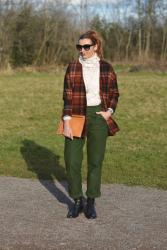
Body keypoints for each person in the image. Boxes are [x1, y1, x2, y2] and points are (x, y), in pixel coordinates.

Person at [62, 30, 119, 219]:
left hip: (98, 116)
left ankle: (91, 200)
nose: (82, 50)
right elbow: (67, 96)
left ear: (95, 47)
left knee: (95, 161)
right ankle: (77, 200)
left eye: (86, 46)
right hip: (76, 115)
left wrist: (108, 112)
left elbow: (114, 93)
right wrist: (66, 121)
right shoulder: (72, 67)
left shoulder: (106, 67)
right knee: (71, 161)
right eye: (80, 46)